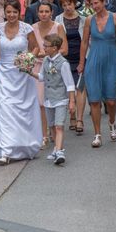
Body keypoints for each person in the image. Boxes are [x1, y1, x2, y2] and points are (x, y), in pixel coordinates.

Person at [0, 0, 42, 164]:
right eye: (8, 12)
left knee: (22, 111)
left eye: (14, 12)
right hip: (4, 73)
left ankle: (23, 145)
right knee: (5, 110)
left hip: (22, 75)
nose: (11, 15)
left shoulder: (26, 29)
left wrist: (28, 59)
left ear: (19, 12)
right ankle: (6, 150)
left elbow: (36, 47)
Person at [78, 0, 116, 149]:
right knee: (94, 100)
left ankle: (112, 123)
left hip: (111, 60)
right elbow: (84, 42)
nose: (95, 6)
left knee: (111, 101)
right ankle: (97, 134)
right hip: (93, 60)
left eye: (97, 3)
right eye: (92, 4)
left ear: (103, 1)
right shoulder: (88, 20)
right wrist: (81, 63)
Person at [27, 34, 75, 165]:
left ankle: (60, 151)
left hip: (60, 99)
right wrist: (29, 72)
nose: (44, 48)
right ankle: (56, 148)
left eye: (46, 46)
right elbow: (42, 76)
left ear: (54, 48)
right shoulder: (46, 61)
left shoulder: (63, 63)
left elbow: (70, 84)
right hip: (48, 98)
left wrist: (71, 101)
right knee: (52, 126)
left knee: (59, 126)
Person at [32, 2, 68, 146]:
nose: (44, 14)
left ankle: (53, 128)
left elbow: (64, 49)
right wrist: (33, 56)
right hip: (38, 67)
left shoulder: (57, 27)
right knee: (40, 102)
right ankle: (43, 134)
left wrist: (48, 54)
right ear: (37, 13)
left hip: (54, 66)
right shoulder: (33, 28)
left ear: (51, 12)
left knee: (53, 100)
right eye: (41, 11)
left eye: (47, 11)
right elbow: (31, 48)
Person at [54, 0, 86, 134]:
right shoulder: (58, 19)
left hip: (80, 56)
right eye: (64, 5)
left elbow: (87, 41)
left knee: (80, 88)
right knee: (68, 88)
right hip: (64, 58)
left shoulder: (84, 20)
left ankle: (79, 119)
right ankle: (72, 116)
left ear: (75, 4)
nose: (67, 7)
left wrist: (84, 60)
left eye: (70, 4)